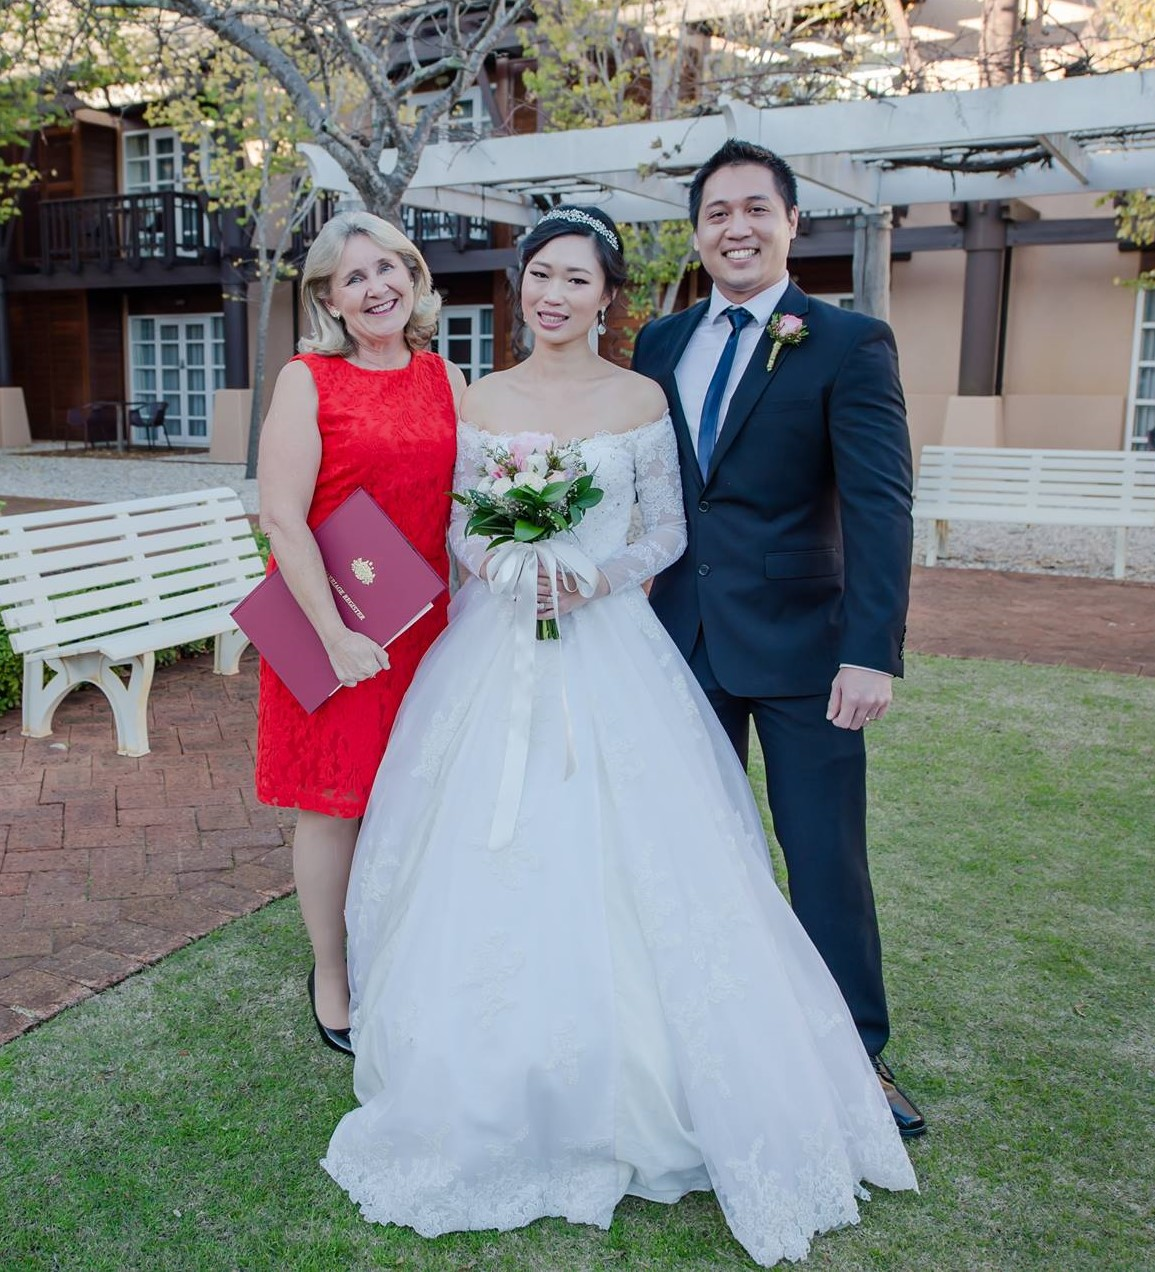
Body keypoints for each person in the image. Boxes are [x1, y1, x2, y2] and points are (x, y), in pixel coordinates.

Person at [321, 205, 917, 1266]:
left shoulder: (642, 395)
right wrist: (505, 560)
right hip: (494, 643)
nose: (554, 295)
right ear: (520, 286)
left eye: (577, 280)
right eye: (540, 275)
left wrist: (592, 575)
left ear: (608, 297)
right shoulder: (479, 395)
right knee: (488, 842)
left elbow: (666, 527)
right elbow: (457, 516)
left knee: (647, 849)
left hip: (612, 645)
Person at [632, 139, 923, 1136]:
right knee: (693, 852)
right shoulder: (659, 345)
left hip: (809, 651)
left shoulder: (848, 342)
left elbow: (880, 506)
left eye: (756, 208)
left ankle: (857, 1060)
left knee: (823, 858)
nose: (737, 228)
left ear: (792, 222)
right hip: (682, 643)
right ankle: (707, 1043)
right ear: (697, 232)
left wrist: (871, 649)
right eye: (717, 212)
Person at [255, 211, 465, 1055]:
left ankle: (401, 949)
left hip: (427, 627)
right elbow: (282, 515)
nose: (376, 288)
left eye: (387, 268)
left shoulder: (446, 376)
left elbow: (465, 505)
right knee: (333, 805)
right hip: (331, 623)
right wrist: (336, 635)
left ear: (412, 276)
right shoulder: (307, 380)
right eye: (354, 277)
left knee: (416, 797)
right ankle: (332, 971)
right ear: (330, 299)